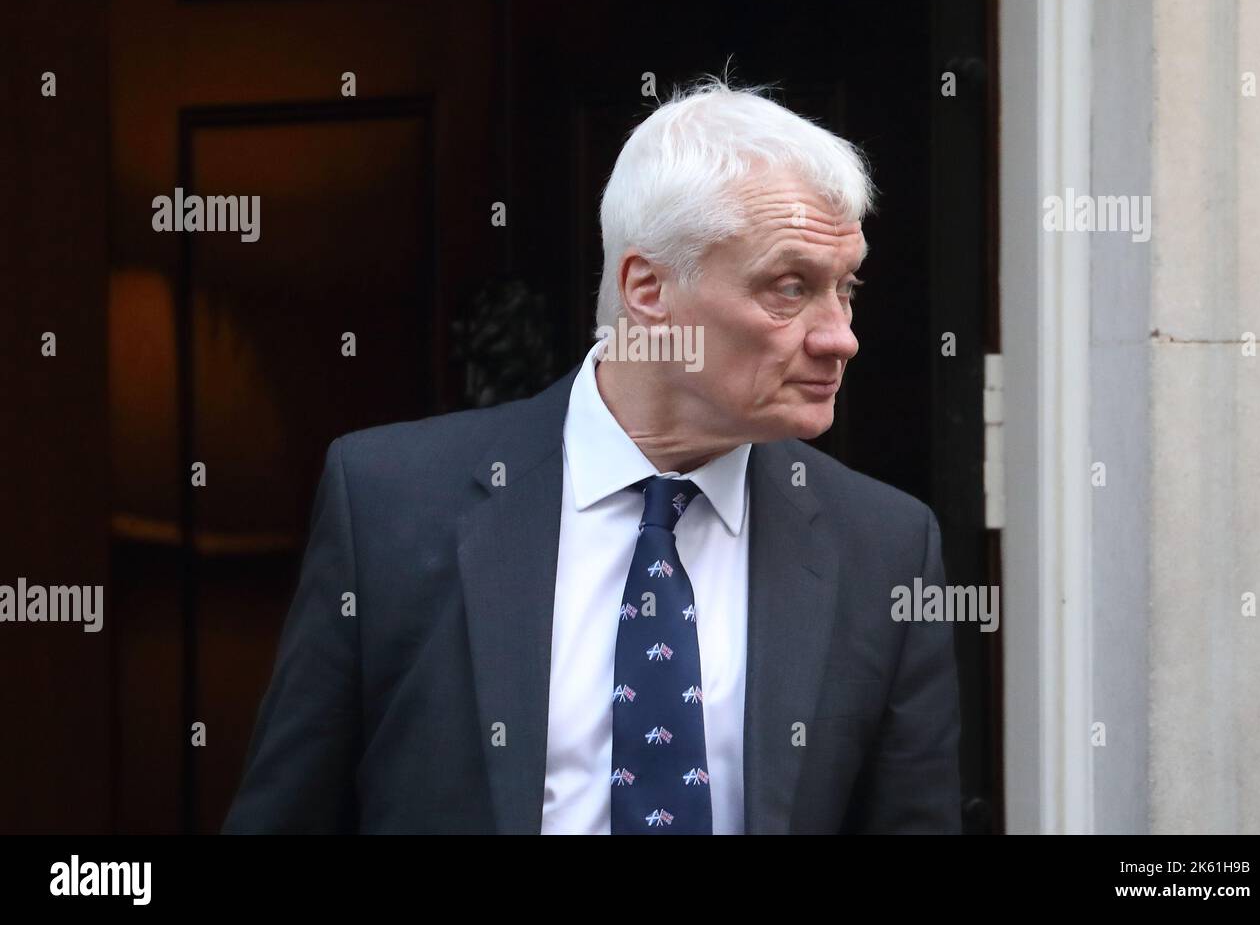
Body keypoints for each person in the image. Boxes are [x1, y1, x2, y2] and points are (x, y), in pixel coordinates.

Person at [222, 76, 961, 834]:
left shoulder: (884, 546)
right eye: (790, 286)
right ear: (648, 289)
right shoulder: (390, 502)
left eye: (846, 287)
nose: (839, 335)